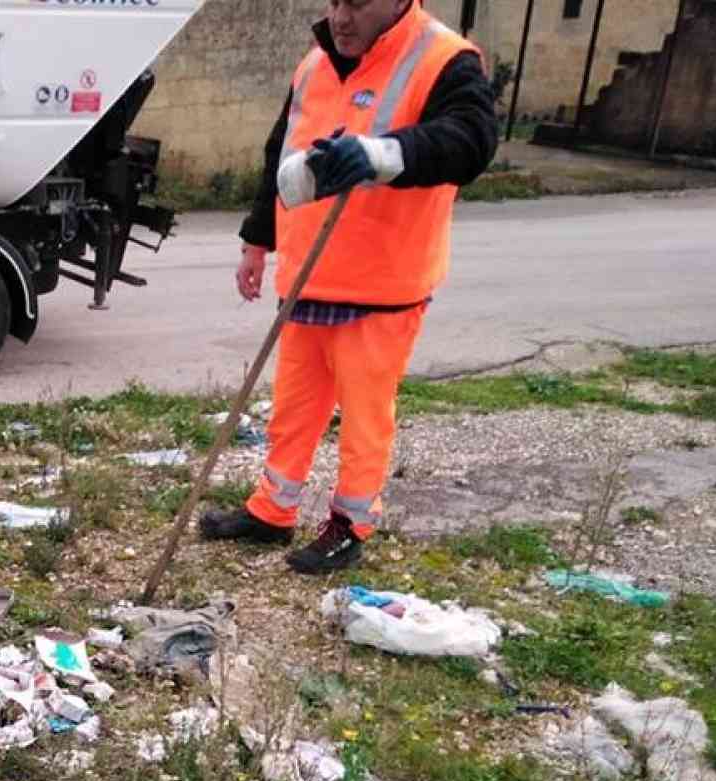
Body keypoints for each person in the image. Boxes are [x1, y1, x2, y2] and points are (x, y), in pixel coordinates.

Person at [200, 0, 496, 573]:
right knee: (294, 406)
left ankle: (350, 524)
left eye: (357, 3)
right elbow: (279, 157)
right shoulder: (313, 65)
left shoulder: (445, 59)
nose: (340, 16)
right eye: (335, 0)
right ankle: (273, 510)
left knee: (364, 413)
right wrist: (256, 241)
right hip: (309, 272)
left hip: (383, 283)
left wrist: (382, 155)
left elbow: (471, 140)